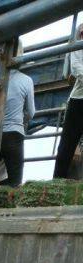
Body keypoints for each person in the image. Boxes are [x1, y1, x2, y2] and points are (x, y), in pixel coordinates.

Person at [0, 41, 35, 187]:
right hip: (15, 133)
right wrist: (21, 118)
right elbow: (31, 112)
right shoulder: (26, 80)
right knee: (15, 180)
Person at [54, 23, 83, 178]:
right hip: (79, 99)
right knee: (66, 146)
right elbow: (78, 69)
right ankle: (57, 181)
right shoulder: (78, 46)